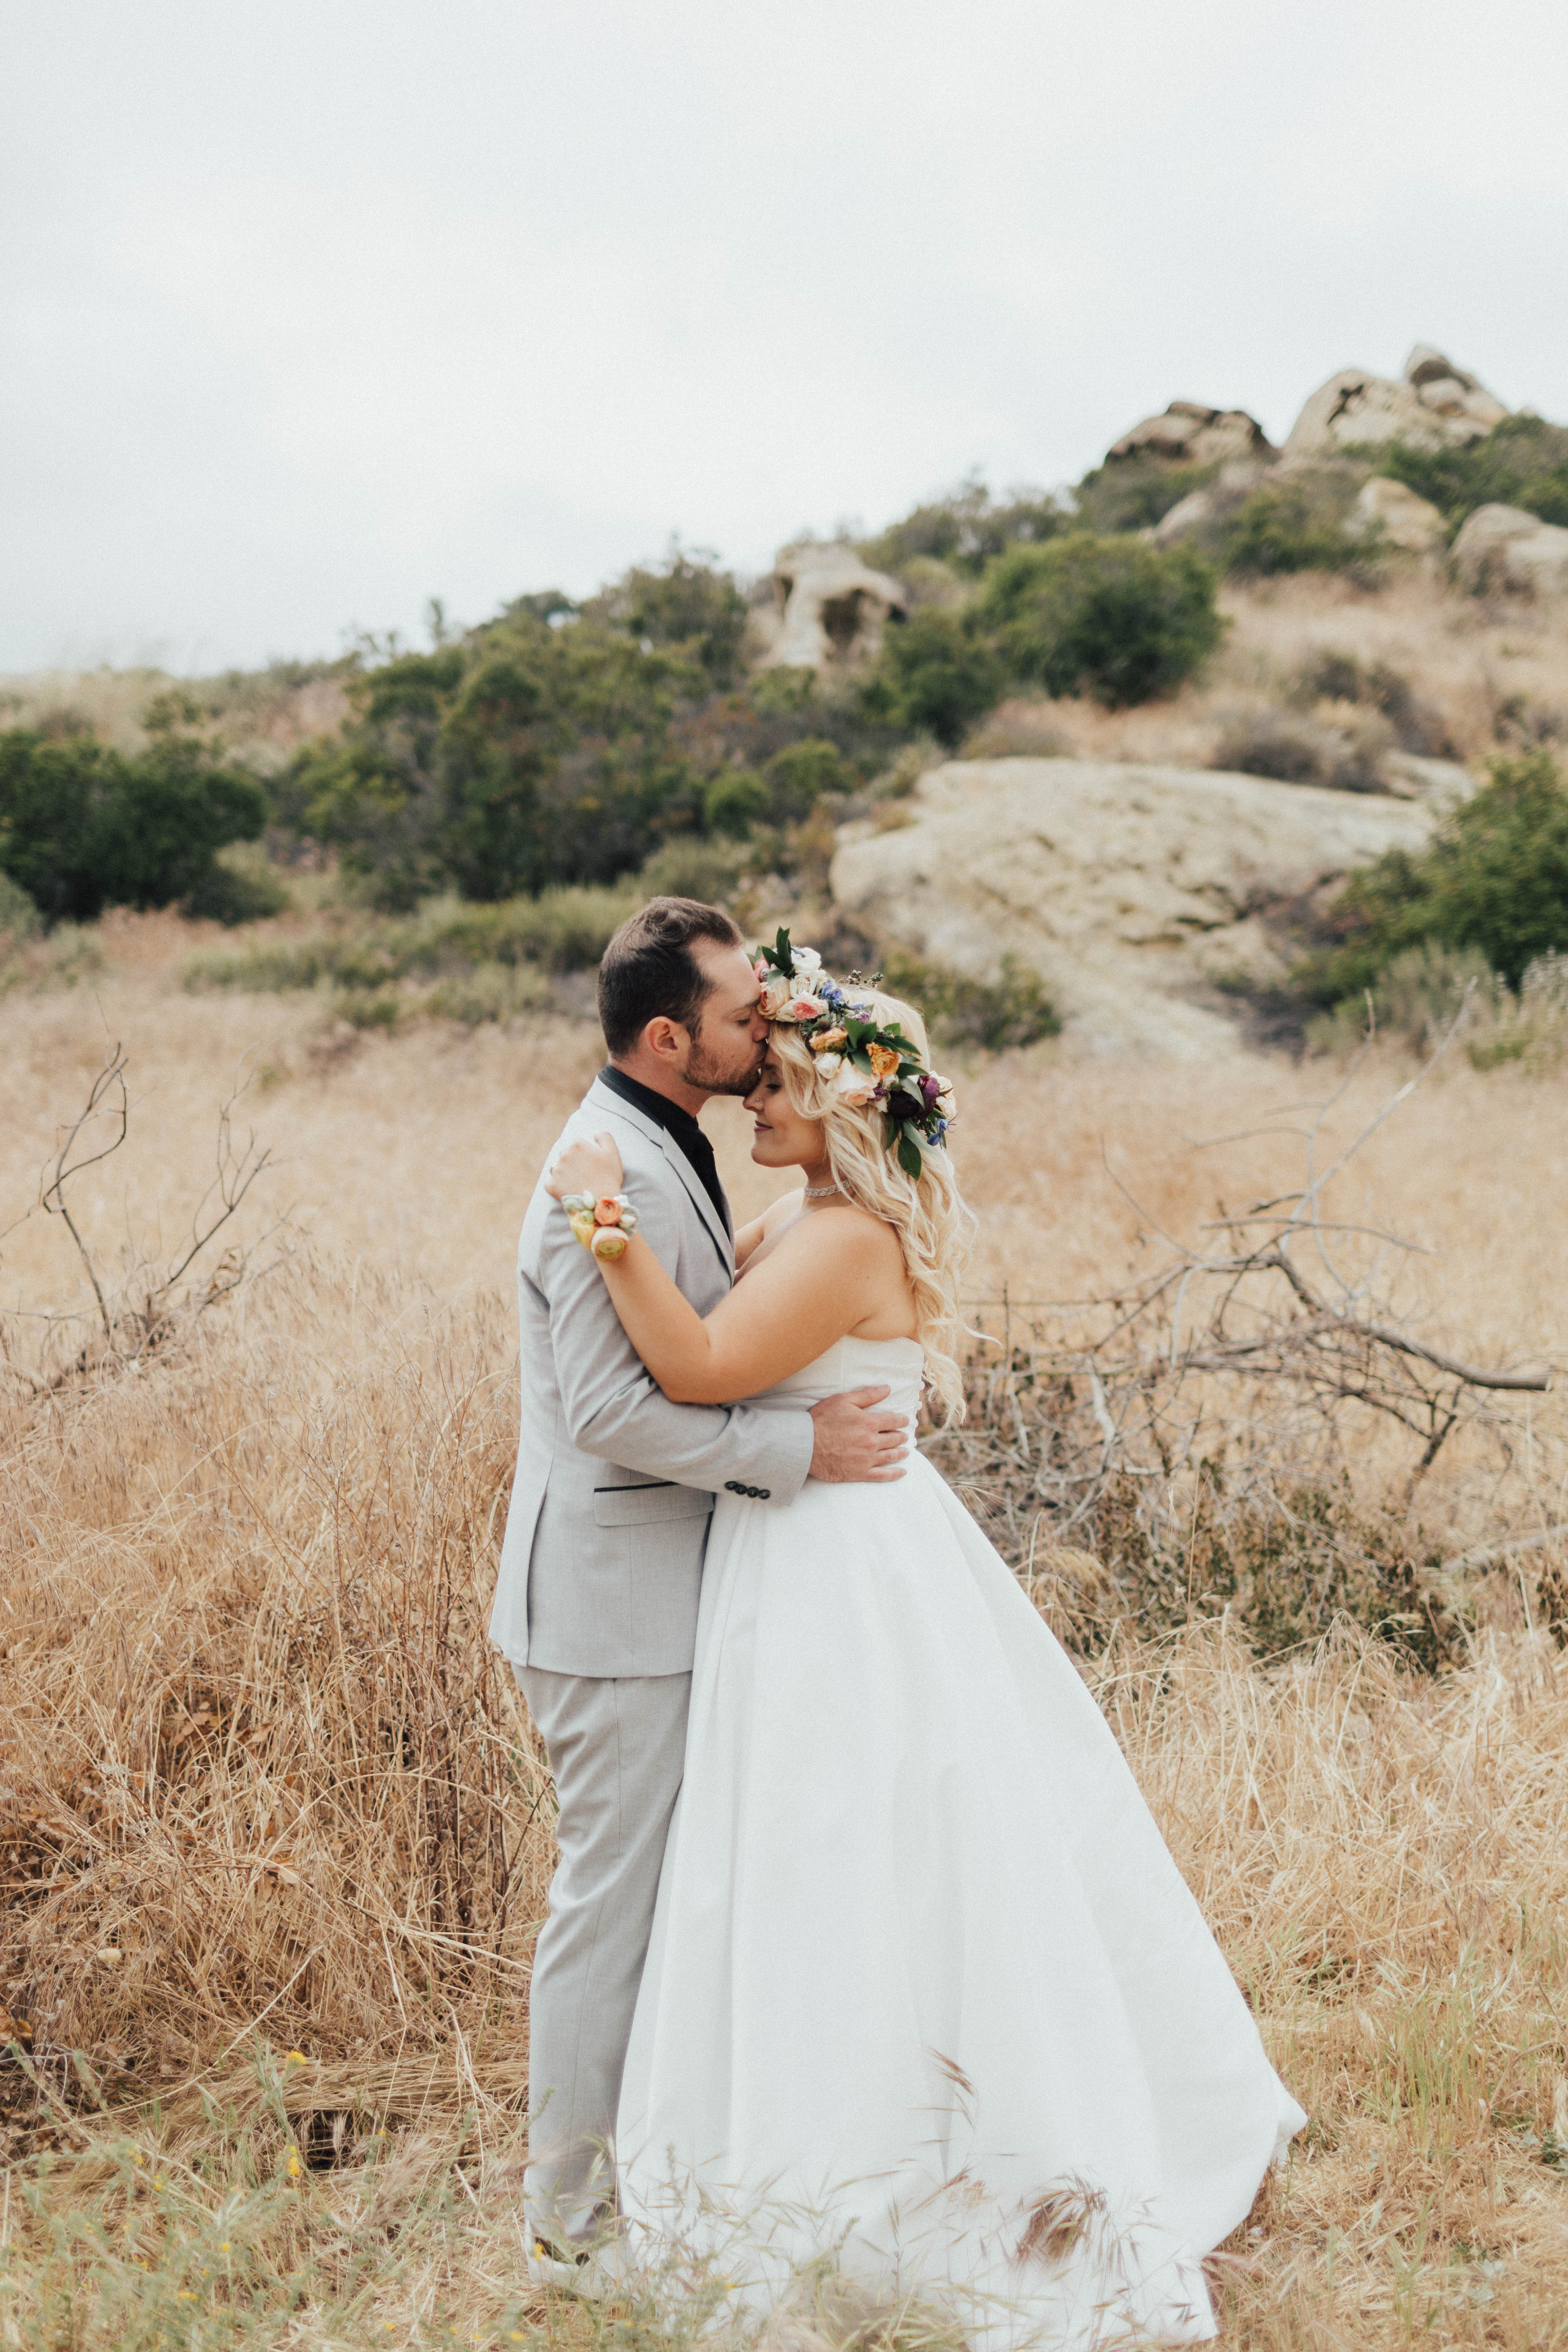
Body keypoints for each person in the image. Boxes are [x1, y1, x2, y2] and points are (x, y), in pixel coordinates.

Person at [543, 931, 1307, 2348]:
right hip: (803, 1546)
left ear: (837, 1104)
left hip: (842, 1569)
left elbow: (702, 1365)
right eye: (755, 1068)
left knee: (855, 1838)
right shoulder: (811, 1218)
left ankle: (905, 2175)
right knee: (822, 1850)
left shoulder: (844, 1237)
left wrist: (606, 1226)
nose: (756, 1098)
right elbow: (721, 1333)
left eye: (777, 1082)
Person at [488, 899, 911, 2287]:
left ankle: (672, 2177)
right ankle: (568, 2227)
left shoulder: (673, 1154)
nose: (765, 1029)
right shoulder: (602, 1175)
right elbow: (614, 1410)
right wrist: (801, 1447)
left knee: (679, 1897)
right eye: (742, 1017)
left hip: (680, 1590)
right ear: (670, 1038)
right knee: (610, 1903)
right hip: (612, 1602)